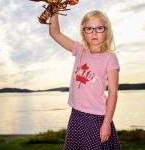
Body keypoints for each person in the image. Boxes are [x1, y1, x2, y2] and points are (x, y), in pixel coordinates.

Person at [49, 10, 121, 150]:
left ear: (107, 32)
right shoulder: (80, 50)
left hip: (96, 117)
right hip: (76, 114)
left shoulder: (110, 58)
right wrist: (54, 8)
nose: (94, 33)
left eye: (99, 28)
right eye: (89, 29)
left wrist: (106, 123)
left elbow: (113, 93)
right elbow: (55, 33)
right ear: (83, 32)